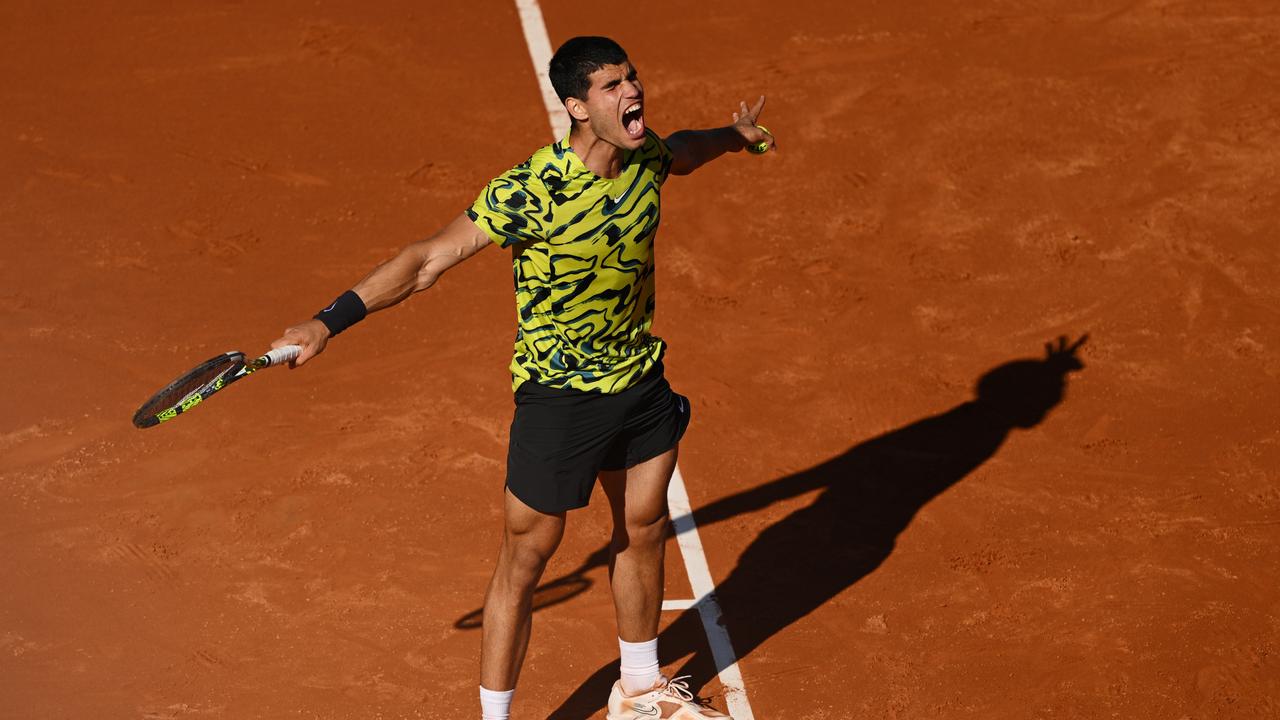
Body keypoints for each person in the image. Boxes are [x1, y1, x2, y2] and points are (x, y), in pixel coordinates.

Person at [271, 35, 773, 720]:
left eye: (633, 79)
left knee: (645, 524)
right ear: (575, 106)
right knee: (528, 558)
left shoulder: (647, 155)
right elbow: (425, 261)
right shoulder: (531, 190)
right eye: (611, 87)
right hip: (559, 399)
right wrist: (327, 322)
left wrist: (737, 136)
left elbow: (686, 147)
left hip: (638, 379)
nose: (633, 93)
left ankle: (638, 687)